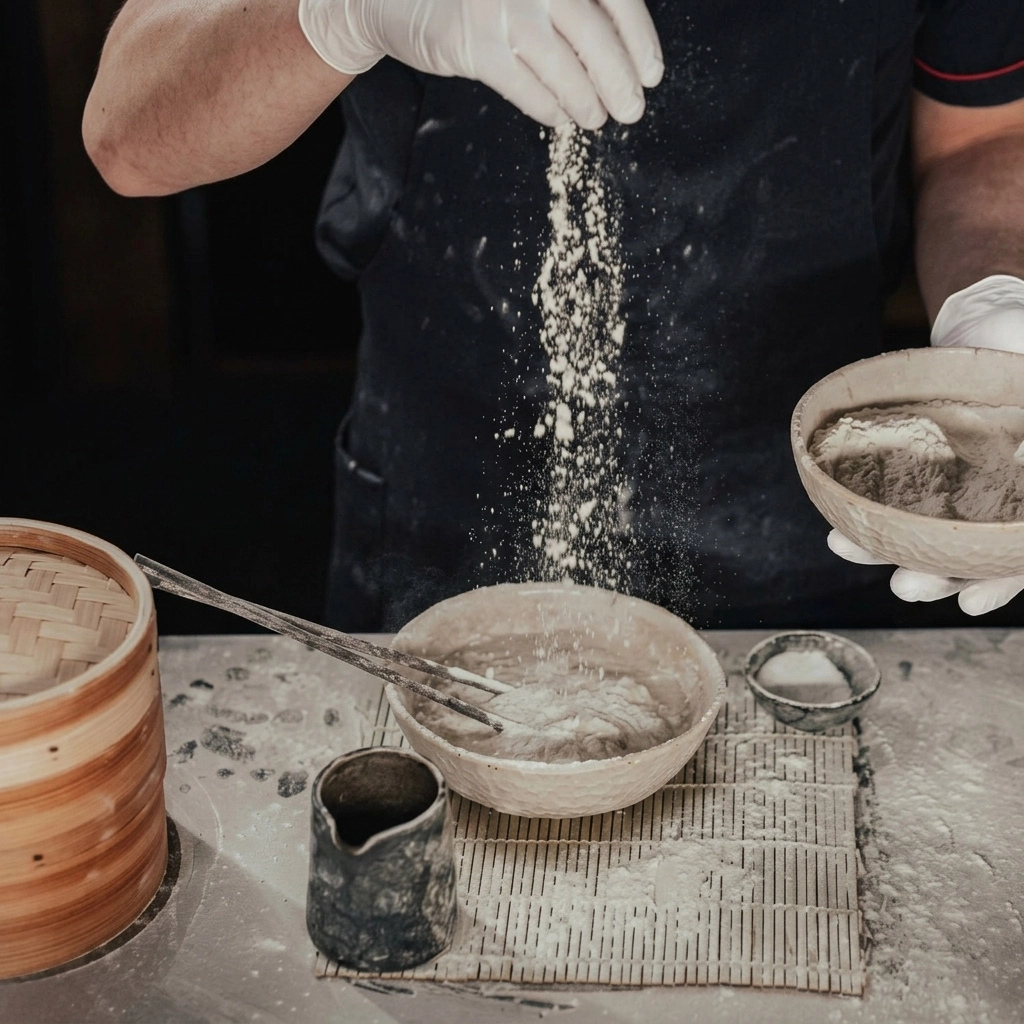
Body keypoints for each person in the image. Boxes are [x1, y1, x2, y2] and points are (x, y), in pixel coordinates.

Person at [84, 0, 1024, 630]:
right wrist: (341, 12)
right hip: (446, 503)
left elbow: (980, 136)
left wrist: (996, 300)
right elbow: (127, 131)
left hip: (818, 502)